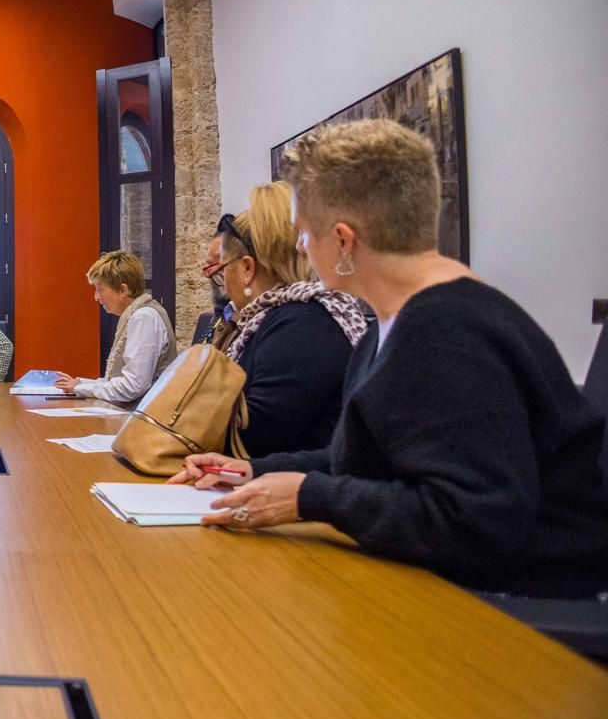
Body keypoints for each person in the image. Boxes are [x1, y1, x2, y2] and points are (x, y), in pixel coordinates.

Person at [173, 119, 608, 598]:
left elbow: (473, 520)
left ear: (342, 241)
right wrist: (253, 470)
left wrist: (308, 497)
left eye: (302, 234)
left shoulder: (448, 333)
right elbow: (361, 462)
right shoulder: (387, 327)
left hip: (512, 608)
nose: (299, 247)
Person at [204, 180, 368, 456]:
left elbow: (253, 435)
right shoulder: (273, 319)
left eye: (223, 269)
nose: (223, 282)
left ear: (246, 268)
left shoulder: (304, 323)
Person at [52, 250, 177, 404]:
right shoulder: (136, 314)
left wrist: (80, 388)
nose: (96, 297)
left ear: (123, 290)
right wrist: (81, 384)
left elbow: (133, 386)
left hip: (142, 417)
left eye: (100, 289)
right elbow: (122, 381)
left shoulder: (144, 317)